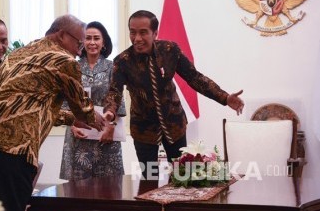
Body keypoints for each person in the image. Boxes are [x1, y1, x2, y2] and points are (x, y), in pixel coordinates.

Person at [0, 14, 106, 211]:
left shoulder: (21, 53)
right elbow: (82, 107)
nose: (80, 51)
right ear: (61, 35)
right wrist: (92, 117)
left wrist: (71, 119)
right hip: (11, 151)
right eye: (79, 43)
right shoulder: (63, 60)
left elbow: (28, 105)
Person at [103, 10, 245, 180]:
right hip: (143, 129)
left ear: (155, 33)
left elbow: (194, 77)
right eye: (132, 32)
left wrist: (224, 97)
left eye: (143, 32)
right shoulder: (122, 61)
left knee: (182, 176)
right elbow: (114, 91)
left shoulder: (170, 50)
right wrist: (110, 111)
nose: (137, 38)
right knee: (150, 178)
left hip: (174, 124)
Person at [60, 21, 126, 181]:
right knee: (77, 194)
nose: (92, 42)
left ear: (104, 43)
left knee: (110, 191)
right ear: (81, 41)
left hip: (107, 136)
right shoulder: (71, 67)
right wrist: (72, 125)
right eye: (87, 38)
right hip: (78, 137)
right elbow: (64, 103)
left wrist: (111, 127)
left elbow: (118, 100)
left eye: (96, 38)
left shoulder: (113, 67)